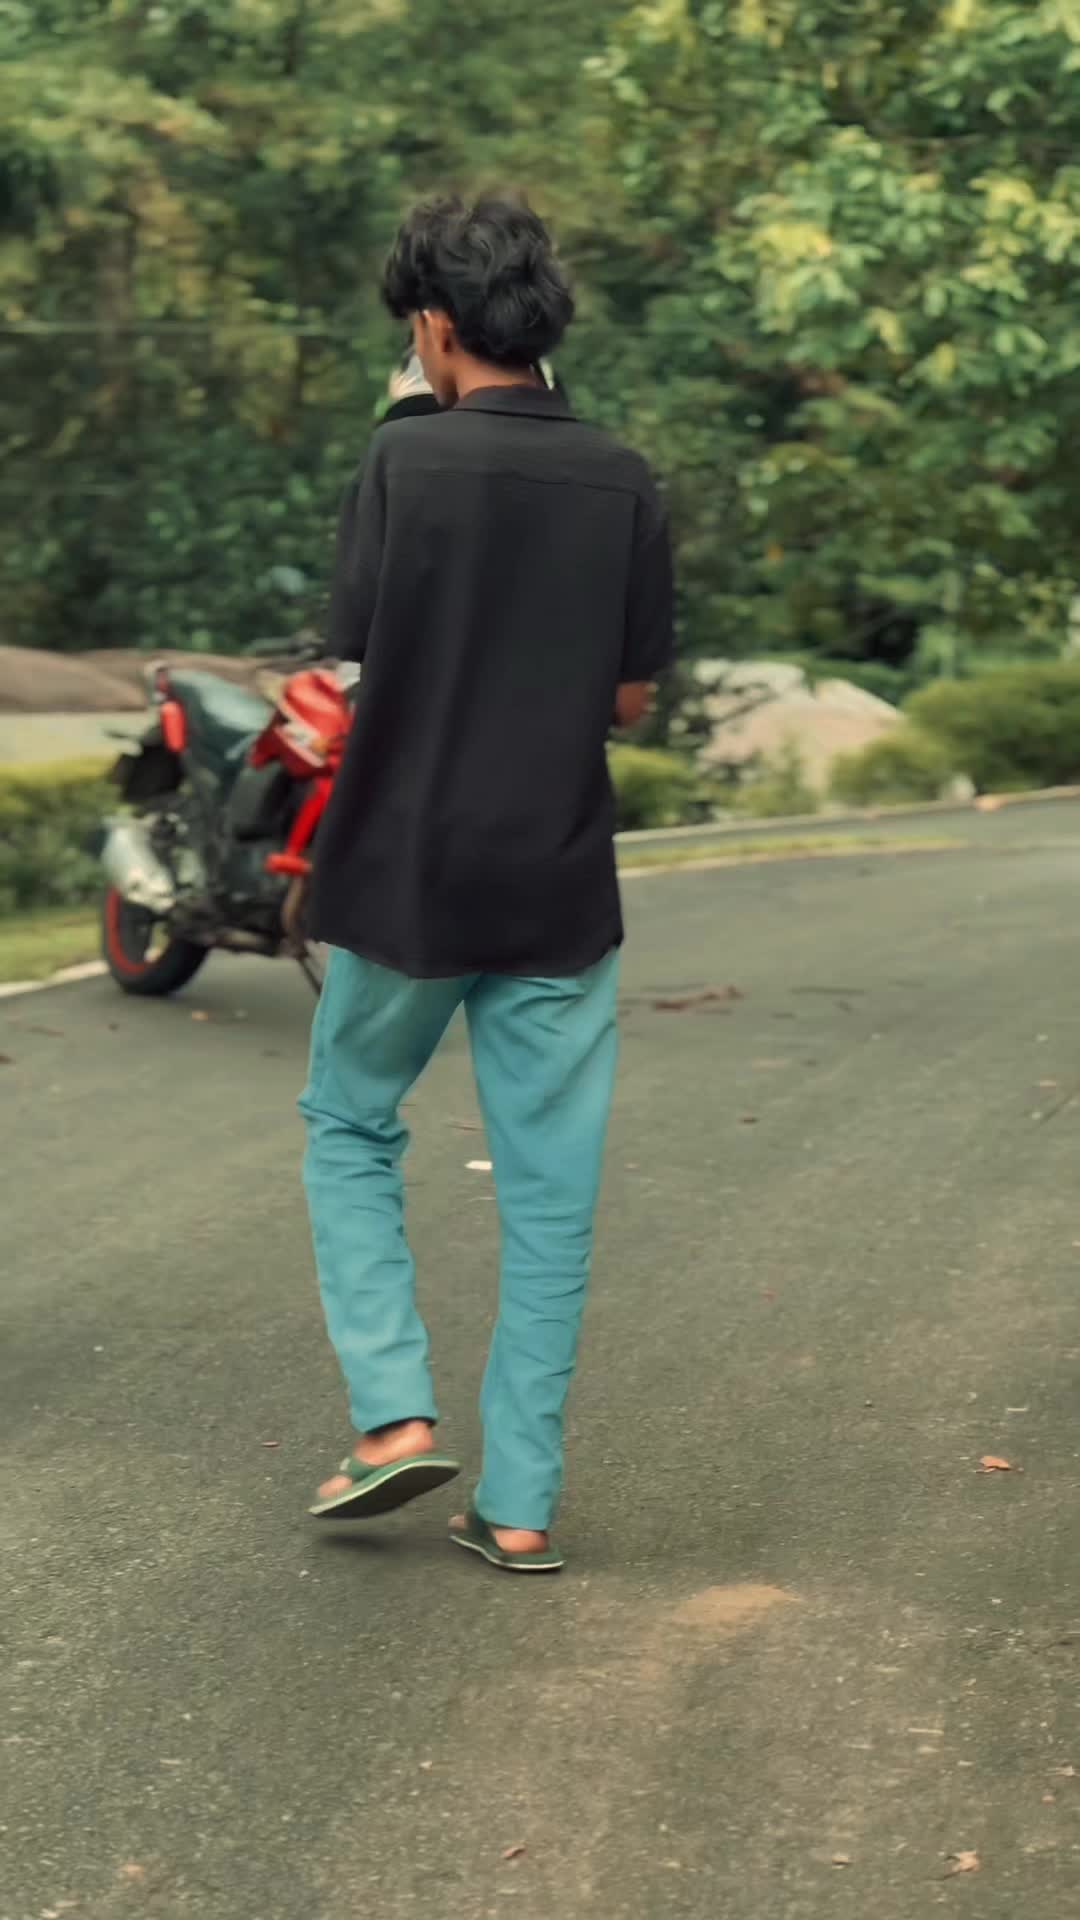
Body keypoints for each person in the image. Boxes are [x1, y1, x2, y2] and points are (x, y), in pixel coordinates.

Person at [299, 195, 674, 1573]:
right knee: (550, 1192)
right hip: (557, 879)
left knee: (349, 1123)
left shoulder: (404, 461)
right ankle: (518, 1504)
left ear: (434, 325)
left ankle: (394, 1419)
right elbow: (627, 699)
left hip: (404, 868)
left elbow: (356, 654)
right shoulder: (623, 475)